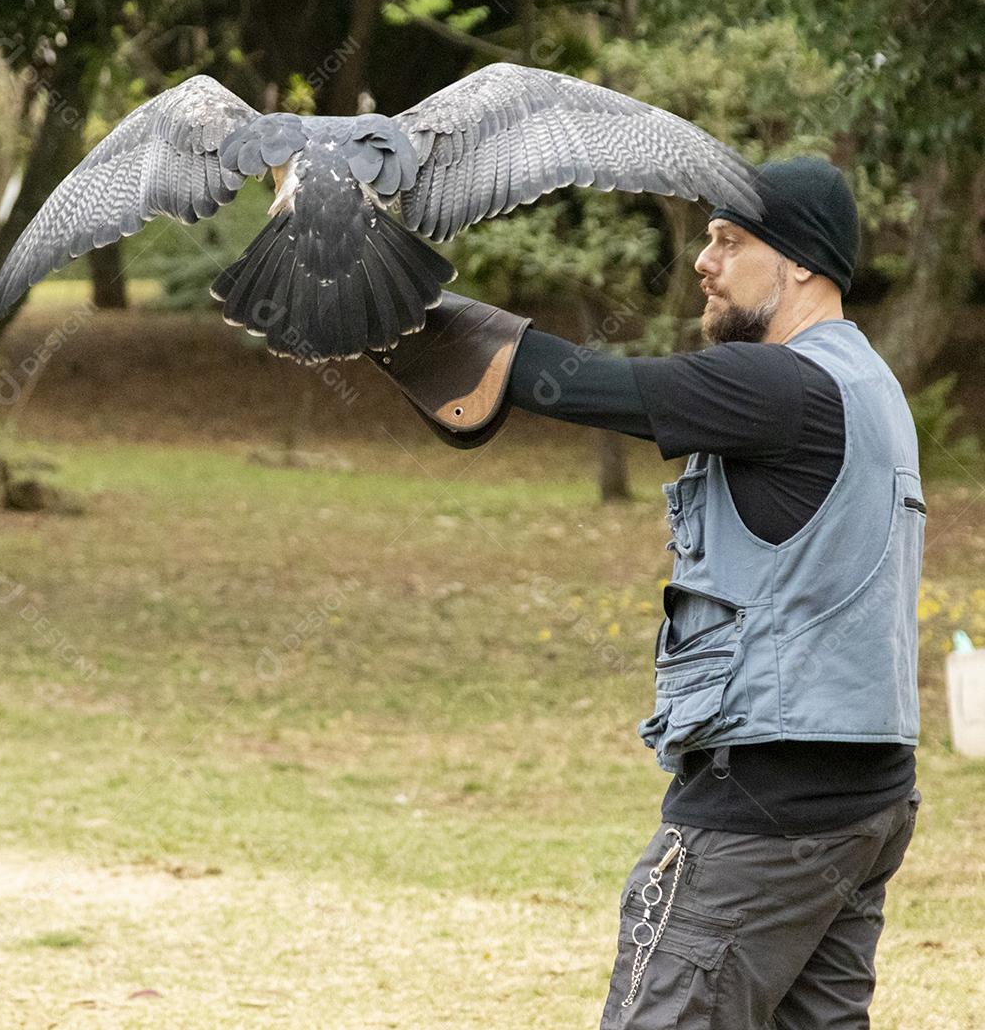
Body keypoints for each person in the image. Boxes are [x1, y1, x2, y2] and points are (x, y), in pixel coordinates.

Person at [366, 156, 924, 1029]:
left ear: (803, 265)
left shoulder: (781, 384)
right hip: (867, 799)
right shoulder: (871, 387)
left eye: (730, 241)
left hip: (765, 808)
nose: (703, 260)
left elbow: (585, 385)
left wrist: (392, 299)